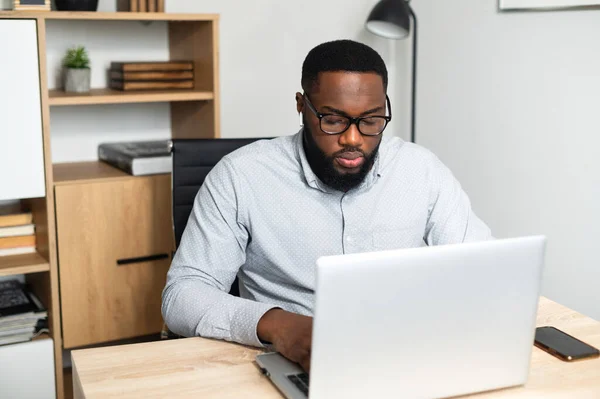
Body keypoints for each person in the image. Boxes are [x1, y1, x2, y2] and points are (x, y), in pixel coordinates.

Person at [161, 39, 492, 373]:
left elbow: (483, 268)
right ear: (301, 105)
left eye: (371, 120)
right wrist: (279, 326)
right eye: (333, 120)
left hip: (404, 356)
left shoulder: (421, 170)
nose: (353, 139)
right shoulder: (241, 176)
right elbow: (182, 295)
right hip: (293, 362)